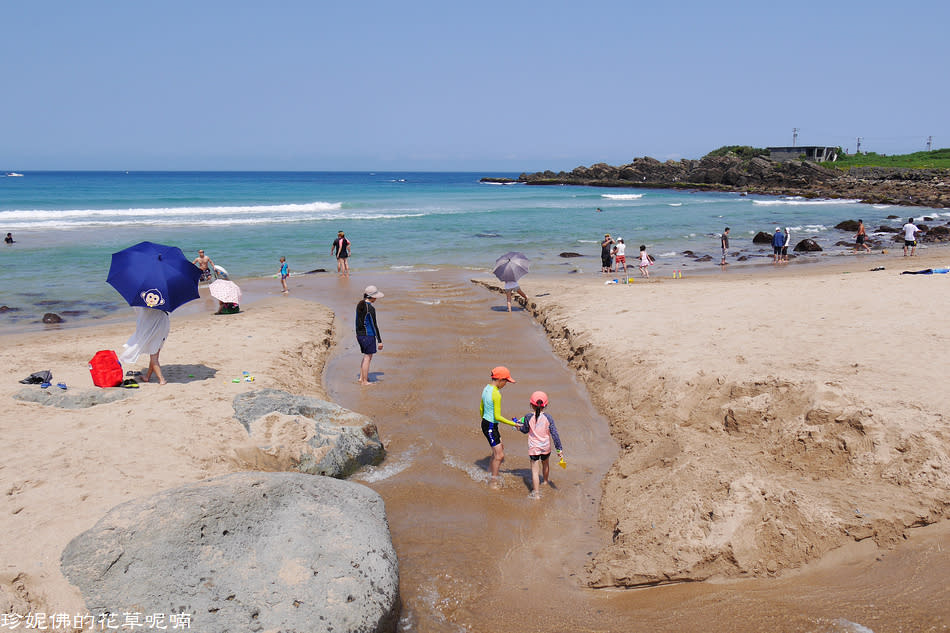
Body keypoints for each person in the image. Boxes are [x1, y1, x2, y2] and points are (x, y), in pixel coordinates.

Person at [516, 391, 563, 499]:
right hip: (546, 447)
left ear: (531, 405)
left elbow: (525, 430)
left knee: (534, 470)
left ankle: (536, 494)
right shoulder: (548, 417)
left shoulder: (528, 417)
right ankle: (546, 481)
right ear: (545, 405)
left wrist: (518, 427)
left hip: (534, 448)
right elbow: (554, 434)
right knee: (545, 464)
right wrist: (559, 449)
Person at [480, 366, 517, 488]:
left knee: (500, 447)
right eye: (506, 381)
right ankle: (493, 482)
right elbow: (498, 416)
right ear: (500, 380)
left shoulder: (486, 388)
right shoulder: (497, 394)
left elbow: (481, 408)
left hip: (487, 423)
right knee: (500, 456)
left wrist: (485, 421)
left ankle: (490, 471)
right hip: (491, 425)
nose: (506, 384)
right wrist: (514, 424)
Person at [118, 307, 171, 385]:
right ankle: (147, 377)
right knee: (155, 354)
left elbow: (141, 314)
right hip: (162, 325)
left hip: (152, 327)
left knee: (154, 355)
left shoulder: (144, 302)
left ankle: (161, 379)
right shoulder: (162, 301)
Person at [356, 285, 384, 385]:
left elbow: (357, 322)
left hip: (359, 335)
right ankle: (364, 381)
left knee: (365, 357)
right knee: (368, 358)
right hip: (368, 336)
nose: (376, 298)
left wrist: (358, 334)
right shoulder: (370, 309)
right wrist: (379, 341)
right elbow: (374, 325)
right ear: (372, 296)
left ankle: (361, 378)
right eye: (375, 296)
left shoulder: (360, 305)